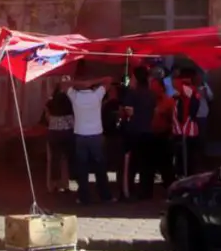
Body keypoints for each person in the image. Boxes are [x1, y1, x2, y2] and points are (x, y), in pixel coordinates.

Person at [66, 65, 114, 205]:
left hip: (81, 135)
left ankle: (84, 197)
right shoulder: (97, 95)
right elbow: (109, 79)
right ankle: (105, 196)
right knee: (100, 167)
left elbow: (64, 83)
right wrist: (92, 82)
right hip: (96, 136)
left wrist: (79, 83)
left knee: (82, 168)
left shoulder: (74, 96)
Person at [121, 66, 158, 201]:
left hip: (134, 132)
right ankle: (147, 192)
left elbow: (128, 112)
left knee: (131, 165)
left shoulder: (132, 94)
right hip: (148, 131)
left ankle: (129, 192)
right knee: (147, 165)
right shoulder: (151, 94)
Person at [44, 84, 75, 194]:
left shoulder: (51, 105)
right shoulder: (68, 103)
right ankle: (65, 184)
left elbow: (47, 118)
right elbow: (72, 123)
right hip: (66, 134)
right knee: (65, 160)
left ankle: (53, 185)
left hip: (53, 135)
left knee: (53, 161)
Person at [150, 76, 176, 191]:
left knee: (166, 164)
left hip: (163, 135)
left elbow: (173, 120)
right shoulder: (149, 100)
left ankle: (169, 187)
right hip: (150, 135)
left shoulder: (169, 101)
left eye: (155, 86)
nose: (152, 89)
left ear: (161, 88)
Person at [172, 72, 201, 178]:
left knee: (188, 161)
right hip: (180, 132)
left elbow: (190, 111)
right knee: (181, 160)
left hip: (187, 132)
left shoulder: (191, 93)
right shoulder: (178, 96)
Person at [193, 71, 214, 151]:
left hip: (202, 114)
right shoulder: (191, 87)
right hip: (193, 115)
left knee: (202, 135)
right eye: (197, 77)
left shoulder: (205, 86)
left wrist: (205, 93)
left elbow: (211, 97)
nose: (198, 79)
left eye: (200, 77)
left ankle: (201, 152)